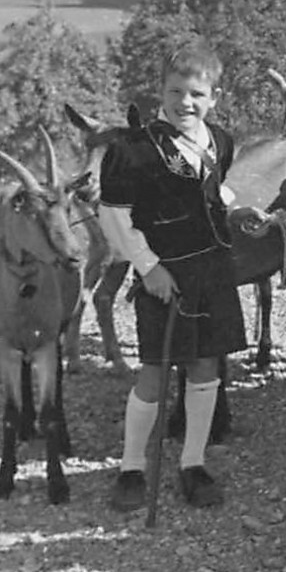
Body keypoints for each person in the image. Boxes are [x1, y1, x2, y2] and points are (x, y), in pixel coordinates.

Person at [97, 40, 247, 510]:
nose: (185, 102)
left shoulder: (220, 140)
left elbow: (208, 193)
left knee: (205, 368)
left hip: (212, 270)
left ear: (214, 98)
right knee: (155, 375)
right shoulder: (133, 149)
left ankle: (193, 463)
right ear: (159, 93)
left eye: (196, 94)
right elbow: (115, 217)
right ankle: (131, 469)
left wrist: (239, 212)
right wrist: (150, 269)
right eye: (175, 91)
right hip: (164, 273)